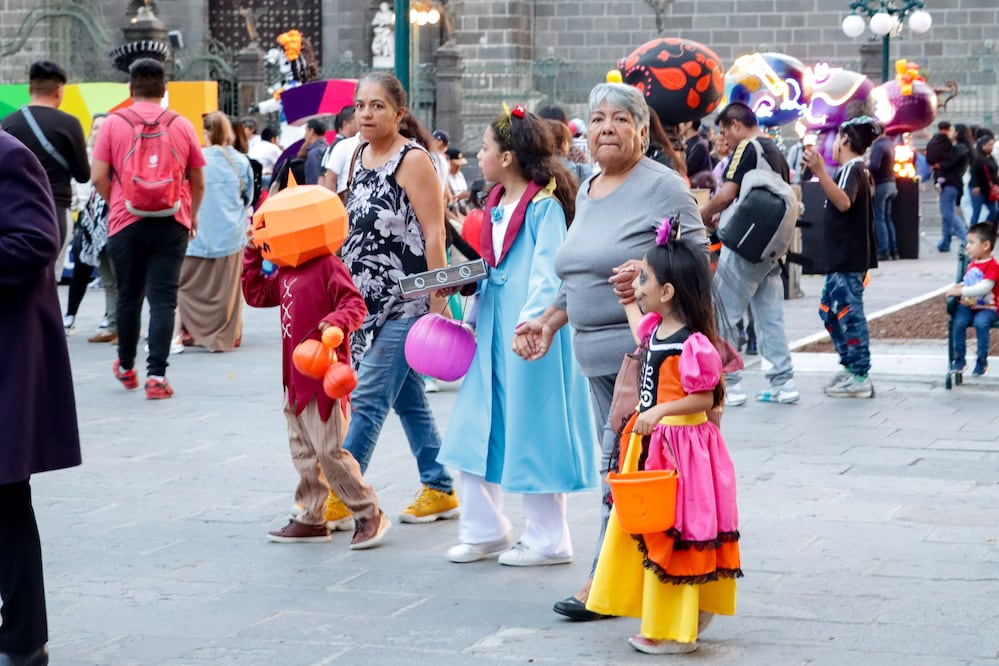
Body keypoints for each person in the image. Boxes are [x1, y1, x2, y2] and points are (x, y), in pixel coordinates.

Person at [512, 82, 706, 621]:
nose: (607, 129)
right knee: (626, 467)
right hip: (593, 356)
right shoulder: (591, 188)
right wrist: (548, 321)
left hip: (644, 358)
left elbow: (696, 259)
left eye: (620, 119)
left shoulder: (663, 187)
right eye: (597, 119)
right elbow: (577, 272)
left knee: (619, 466)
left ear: (642, 131)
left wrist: (649, 272)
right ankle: (638, 574)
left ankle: (606, 581)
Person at [438, 106, 598, 566]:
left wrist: (534, 322)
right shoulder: (495, 203)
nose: (478, 155)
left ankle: (549, 539)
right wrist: (464, 284)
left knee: (534, 431)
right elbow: (493, 266)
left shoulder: (544, 206)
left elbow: (549, 269)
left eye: (485, 148)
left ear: (507, 157)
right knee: (473, 428)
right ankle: (483, 528)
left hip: (529, 334)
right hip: (492, 329)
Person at [586, 223, 741, 655]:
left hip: (679, 450)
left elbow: (704, 397)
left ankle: (672, 630)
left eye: (644, 279)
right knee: (652, 531)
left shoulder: (694, 344)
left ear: (668, 291)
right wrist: (626, 298)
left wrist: (658, 412)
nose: (638, 286)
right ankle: (674, 617)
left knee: (673, 534)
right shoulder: (657, 330)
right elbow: (640, 331)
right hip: (653, 447)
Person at [336, 71, 459, 524]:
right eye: (360, 106)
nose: (366, 114)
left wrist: (437, 301)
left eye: (377, 106)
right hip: (364, 302)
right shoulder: (358, 154)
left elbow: (434, 232)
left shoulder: (414, 160)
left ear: (399, 113)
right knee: (408, 398)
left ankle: (342, 493)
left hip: (407, 301)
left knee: (368, 396)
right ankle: (439, 485)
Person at [242, 235, 391, 548]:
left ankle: (369, 513)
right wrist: (253, 252)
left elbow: (354, 304)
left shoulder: (327, 265)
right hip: (294, 378)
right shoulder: (286, 269)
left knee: (330, 451)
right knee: (303, 451)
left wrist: (336, 321)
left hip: (324, 379)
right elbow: (257, 294)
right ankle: (312, 517)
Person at [0, 128, 82, 666]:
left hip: (6, 354)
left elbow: (34, 241)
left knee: (5, 501)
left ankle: (24, 639)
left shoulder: (9, 157)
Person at [91, 58, 206, 400]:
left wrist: (119, 201)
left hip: (125, 222)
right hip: (172, 221)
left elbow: (97, 177)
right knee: (163, 300)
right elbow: (198, 180)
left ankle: (126, 366)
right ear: (164, 89)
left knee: (128, 296)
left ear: (130, 88)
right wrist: (192, 215)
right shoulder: (181, 124)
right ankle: (157, 376)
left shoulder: (113, 124)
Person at [699, 101, 798, 407]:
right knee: (770, 316)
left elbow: (727, 193)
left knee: (724, 313)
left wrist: (702, 214)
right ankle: (783, 383)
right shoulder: (775, 150)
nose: (725, 139)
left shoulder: (747, 147)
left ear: (736, 125)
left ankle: (730, 385)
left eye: (725, 132)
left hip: (744, 246)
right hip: (770, 247)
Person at [802, 117, 881, 398]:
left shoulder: (853, 169)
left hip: (849, 260)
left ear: (846, 140)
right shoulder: (853, 170)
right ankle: (850, 365)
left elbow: (844, 202)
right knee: (830, 312)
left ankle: (860, 375)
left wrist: (820, 172)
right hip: (842, 260)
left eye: (836, 138)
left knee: (849, 315)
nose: (832, 144)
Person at [2, 60, 90, 280]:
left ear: (29, 89)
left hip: (12, 212)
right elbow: (83, 175)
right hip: (55, 209)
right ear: (59, 90)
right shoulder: (69, 124)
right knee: (50, 280)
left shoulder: (9, 123)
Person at [173, 112, 252, 353]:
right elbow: (247, 196)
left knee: (185, 286)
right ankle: (219, 338)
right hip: (230, 235)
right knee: (226, 292)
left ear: (205, 133)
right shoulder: (240, 161)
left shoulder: (194, 159)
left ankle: (181, 333)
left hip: (196, 235)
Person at [64, 113, 116, 340]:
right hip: (86, 221)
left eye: (103, 127)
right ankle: (71, 314)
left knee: (113, 275)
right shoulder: (82, 157)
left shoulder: (114, 156)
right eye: (96, 128)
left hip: (108, 220)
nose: (98, 132)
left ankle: (112, 320)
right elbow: (76, 188)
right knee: (82, 271)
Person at [946, 223, 999, 377]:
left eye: (971, 242)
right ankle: (959, 360)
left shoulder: (992, 266)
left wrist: (960, 291)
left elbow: (984, 287)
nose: (967, 246)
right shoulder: (973, 263)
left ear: (986, 245)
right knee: (959, 321)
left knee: (981, 323)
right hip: (969, 305)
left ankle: (982, 360)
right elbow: (968, 281)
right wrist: (958, 286)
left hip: (988, 307)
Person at [925, 121, 970, 253]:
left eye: (953, 130)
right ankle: (945, 242)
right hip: (952, 183)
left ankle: (965, 239)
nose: (950, 133)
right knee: (947, 215)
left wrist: (938, 165)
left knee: (947, 214)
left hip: (950, 183)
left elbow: (949, 162)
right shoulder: (958, 147)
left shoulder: (959, 149)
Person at [869, 132, 899, 260]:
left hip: (881, 184)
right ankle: (894, 250)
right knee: (887, 218)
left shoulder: (878, 146)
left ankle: (884, 250)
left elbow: (874, 166)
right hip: (892, 183)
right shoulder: (890, 144)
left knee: (879, 218)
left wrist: (865, 166)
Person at [969, 135, 999, 225]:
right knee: (976, 212)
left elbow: (994, 172)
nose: (992, 147)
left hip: (989, 189)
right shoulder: (977, 158)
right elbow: (973, 172)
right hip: (978, 189)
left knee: (994, 211)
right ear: (983, 146)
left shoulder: (991, 158)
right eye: (990, 145)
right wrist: (976, 185)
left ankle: (985, 228)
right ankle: (973, 230)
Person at [300, 118, 328, 185]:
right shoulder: (324, 147)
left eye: (306, 130)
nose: (305, 135)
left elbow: (317, 177)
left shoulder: (315, 152)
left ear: (311, 131)